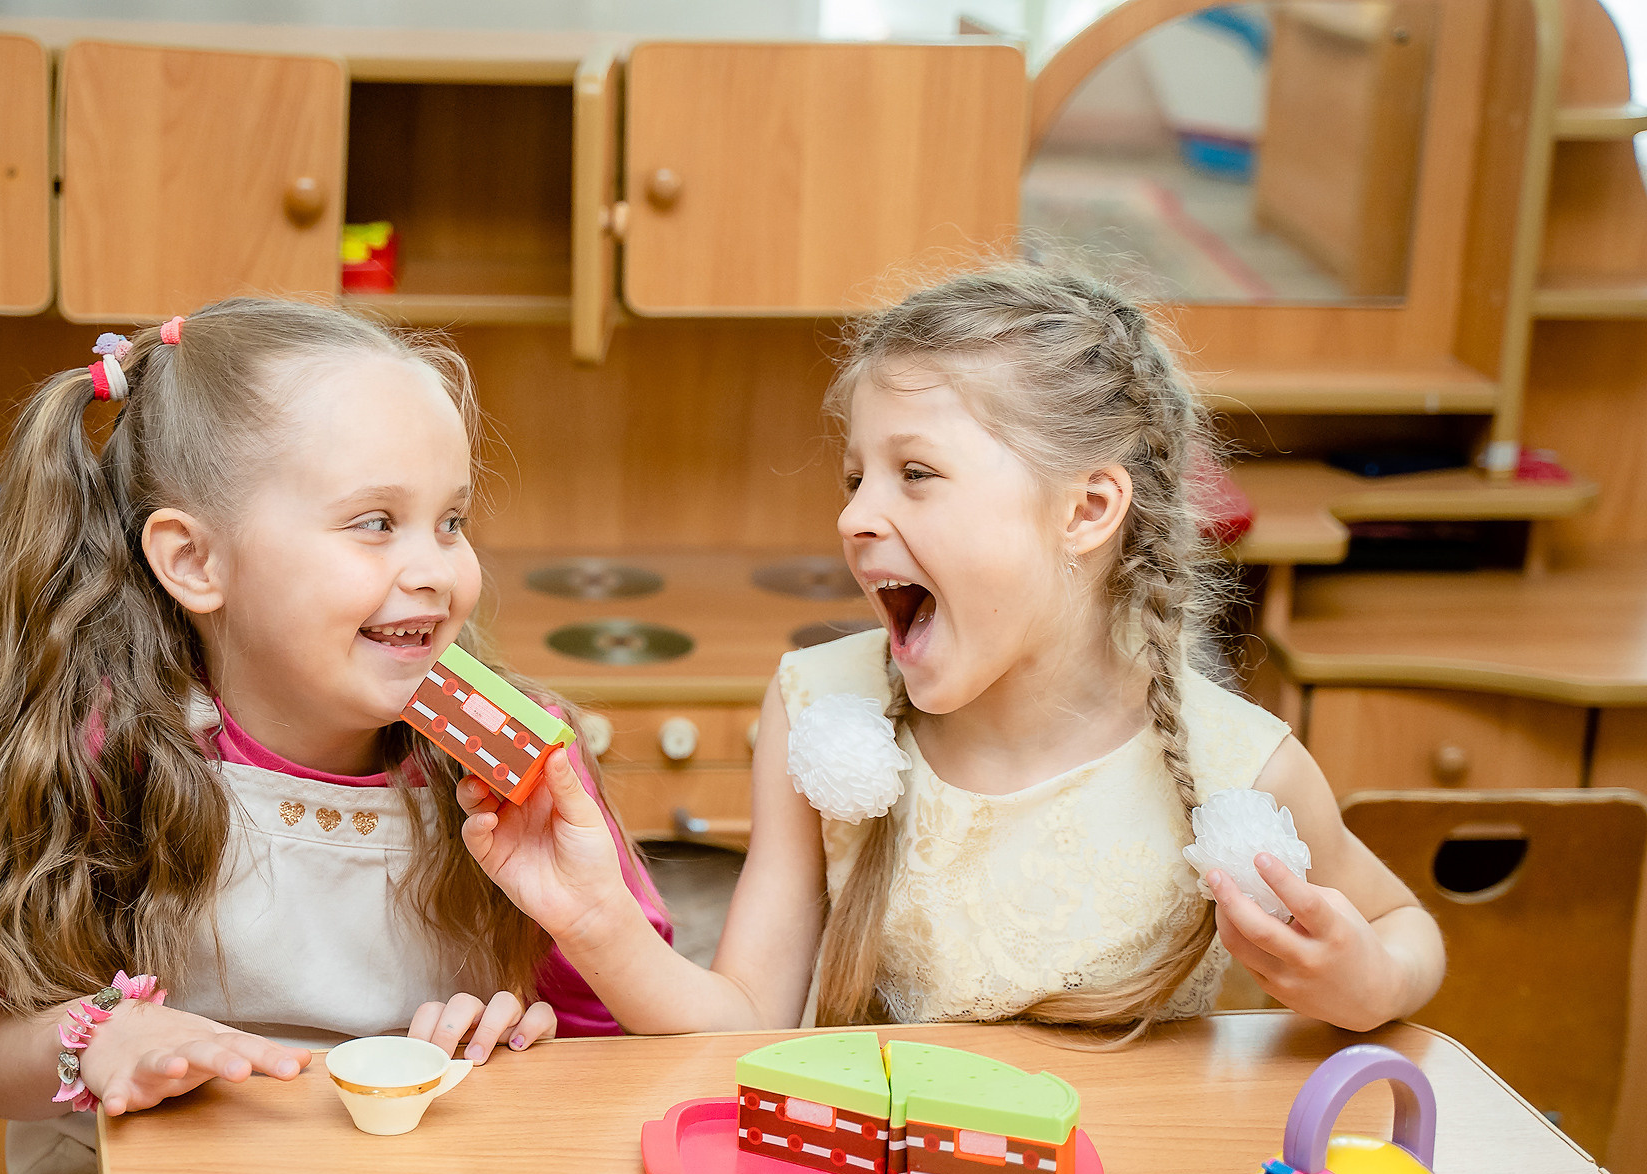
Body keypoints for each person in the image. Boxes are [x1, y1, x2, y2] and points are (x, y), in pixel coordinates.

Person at [0, 298, 668, 1174]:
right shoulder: (104, 756)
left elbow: (626, 1045)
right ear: (194, 562)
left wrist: (521, 1039)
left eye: (451, 520)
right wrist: (95, 1040)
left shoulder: (511, 761)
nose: (435, 568)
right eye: (373, 521)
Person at [457, 265, 1444, 1038]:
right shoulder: (812, 706)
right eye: (853, 475)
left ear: (1087, 508)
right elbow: (739, 1023)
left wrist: (1363, 978)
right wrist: (592, 921)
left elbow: (1408, 933)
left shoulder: (1243, 766)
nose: (852, 515)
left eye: (914, 473)